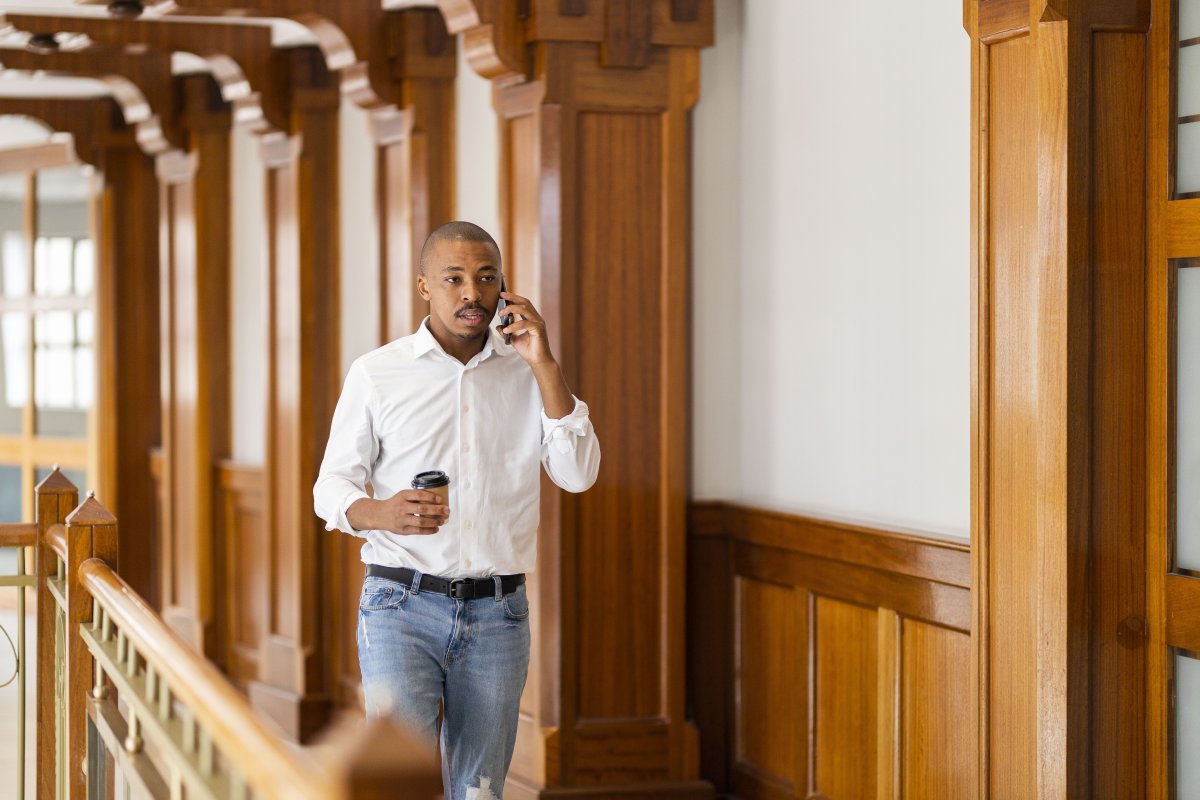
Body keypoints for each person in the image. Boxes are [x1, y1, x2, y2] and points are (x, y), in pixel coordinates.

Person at [313, 221, 600, 800]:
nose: (473, 293)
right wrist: (382, 512)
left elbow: (577, 475)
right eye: (454, 279)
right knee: (399, 785)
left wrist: (545, 365)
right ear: (424, 285)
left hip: (499, 614)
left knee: (480, 791)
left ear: (504, 286)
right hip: (399, 605)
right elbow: (330, 487)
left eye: (487, 278)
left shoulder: (530, 371)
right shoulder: (377, 372)